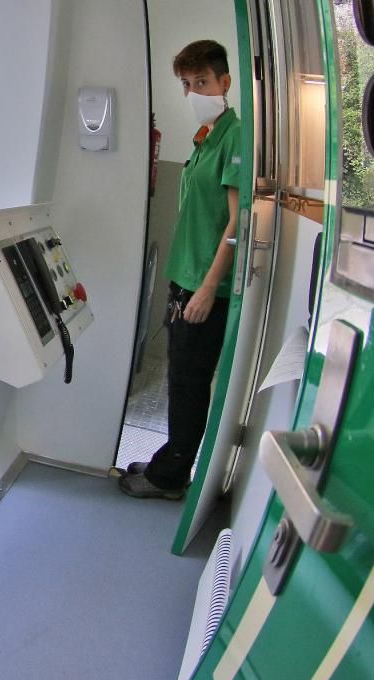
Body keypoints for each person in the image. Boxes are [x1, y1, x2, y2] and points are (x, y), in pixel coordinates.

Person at [119, 39, 241, 500]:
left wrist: (208, 289)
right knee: (178, 377)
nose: (193, 92)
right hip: (184, 277)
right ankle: (168, 458)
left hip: (206, 286)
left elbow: (238, 220)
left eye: (202, 82)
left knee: (189, 383)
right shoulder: (205, 137)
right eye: (187, 85)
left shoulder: (236, 136)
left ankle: (170, 478)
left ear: (224, 83)